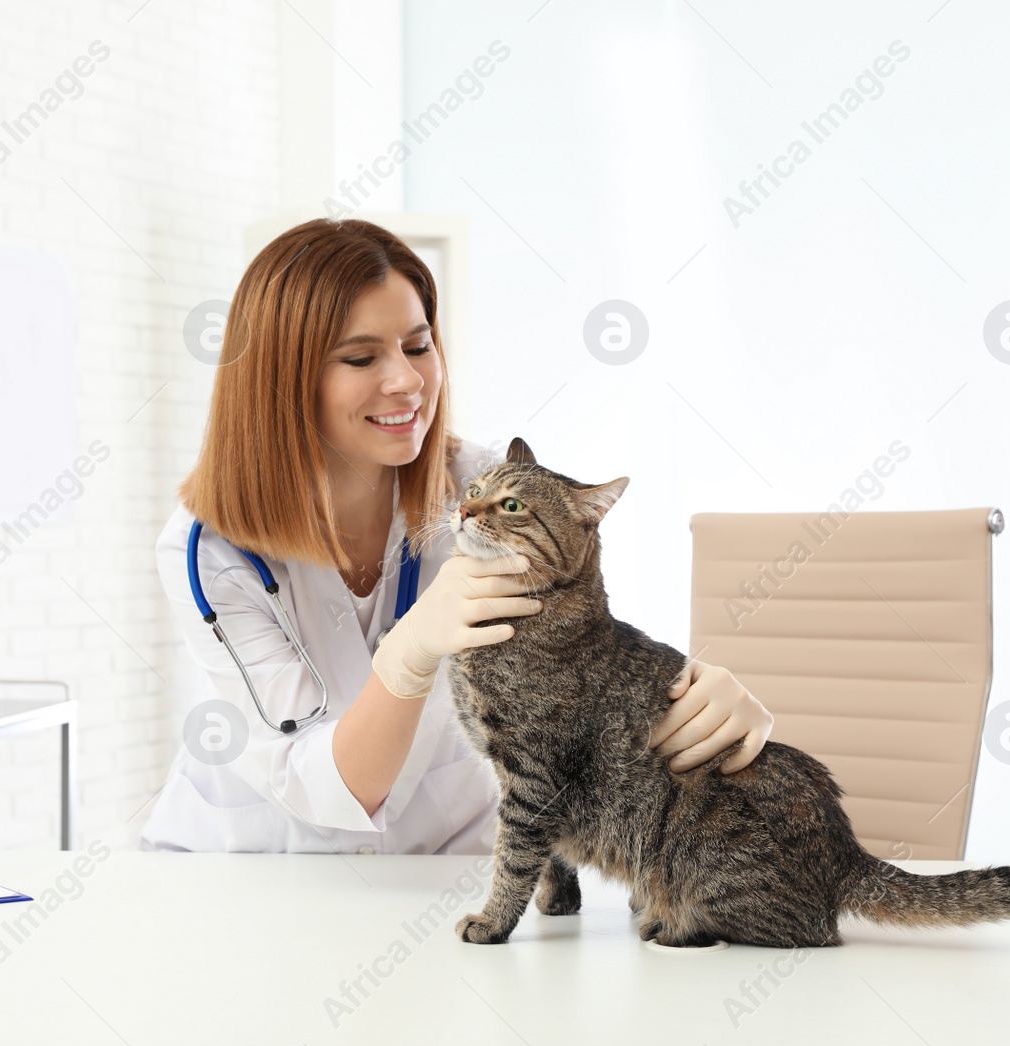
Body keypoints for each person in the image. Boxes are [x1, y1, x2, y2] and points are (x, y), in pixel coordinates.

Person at [138, 218, 773, 853]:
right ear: (280, 382)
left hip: (442, 868)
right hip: (252, 871)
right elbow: (330, 789)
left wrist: (696, 700)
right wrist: (410, 650)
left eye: (418, 347)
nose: (408, 381)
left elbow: (579, 664)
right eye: (361, 358)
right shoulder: (210, 553)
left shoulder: (483, 493)